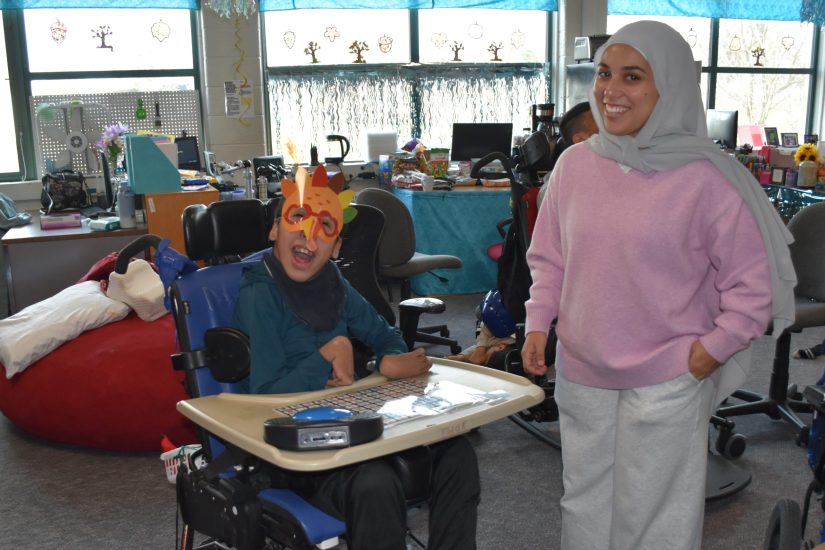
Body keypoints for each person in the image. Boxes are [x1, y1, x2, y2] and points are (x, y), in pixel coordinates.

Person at [521, 21, 796, 550]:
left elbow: (753, 288)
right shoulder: (575, 165)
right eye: (604, 74)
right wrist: (538, 323)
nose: (611, 91)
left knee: (655, 517)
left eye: (632, 76)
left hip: (669, 375)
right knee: (583, 500)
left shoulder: (708, 178)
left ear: (668, 86)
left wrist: (707, 353)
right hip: (584, 370)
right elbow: (550, 258)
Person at [231, 167, 480, 550]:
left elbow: (387, 336)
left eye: (325, 228)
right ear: (274, 230)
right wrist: (328, 354)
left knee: (455, 454)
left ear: (337, 248)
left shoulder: (336, 285)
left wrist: (386, 360)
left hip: (354, 434)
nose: (308, 237)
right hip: (295, 457)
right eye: (297, 219)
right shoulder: (259, 295)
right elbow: (264, 399)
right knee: (376, 481)